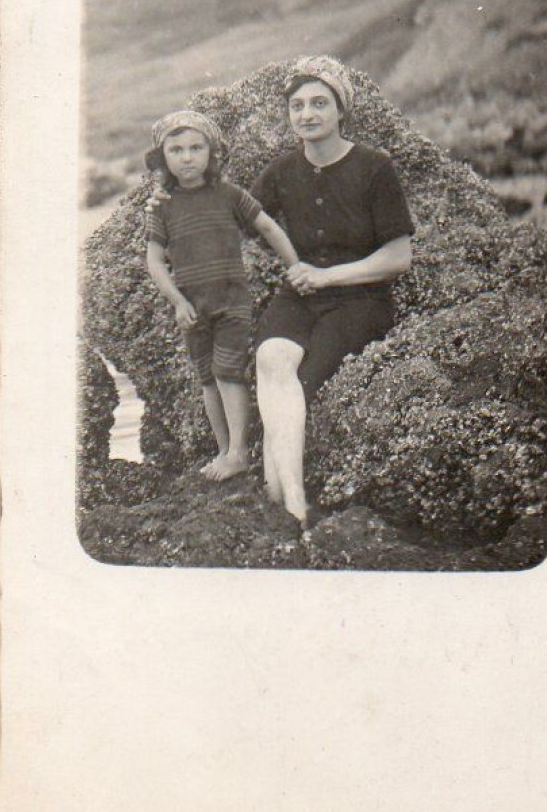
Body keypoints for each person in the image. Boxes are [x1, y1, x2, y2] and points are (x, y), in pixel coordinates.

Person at [250, 56, 414, 525]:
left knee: (302, 381)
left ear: (342, 110)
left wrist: (326, 276)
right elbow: (240, 215)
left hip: (361, 298)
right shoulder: (282, 170)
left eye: (320, 103)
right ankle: (283, 494)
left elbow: (398, 257)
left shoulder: (374, 168)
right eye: (297, 106)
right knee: (270, 359)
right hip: (301, 295)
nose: (308, 114)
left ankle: (288, 500)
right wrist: (172, 198)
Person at [144, 109, 299, 482]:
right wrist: (178, 302)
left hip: (232, 302)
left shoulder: (230, 194)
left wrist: (295, 265)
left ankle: (239, 452)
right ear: (163, 158)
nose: (187, 157)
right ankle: (223, 450)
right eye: (176, 149)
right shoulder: (162, 207)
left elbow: (267, 226)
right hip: (192, 308)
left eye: (196, 147)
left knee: (227, 372)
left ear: (212, 153)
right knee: (207, 378)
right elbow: (154, 261)